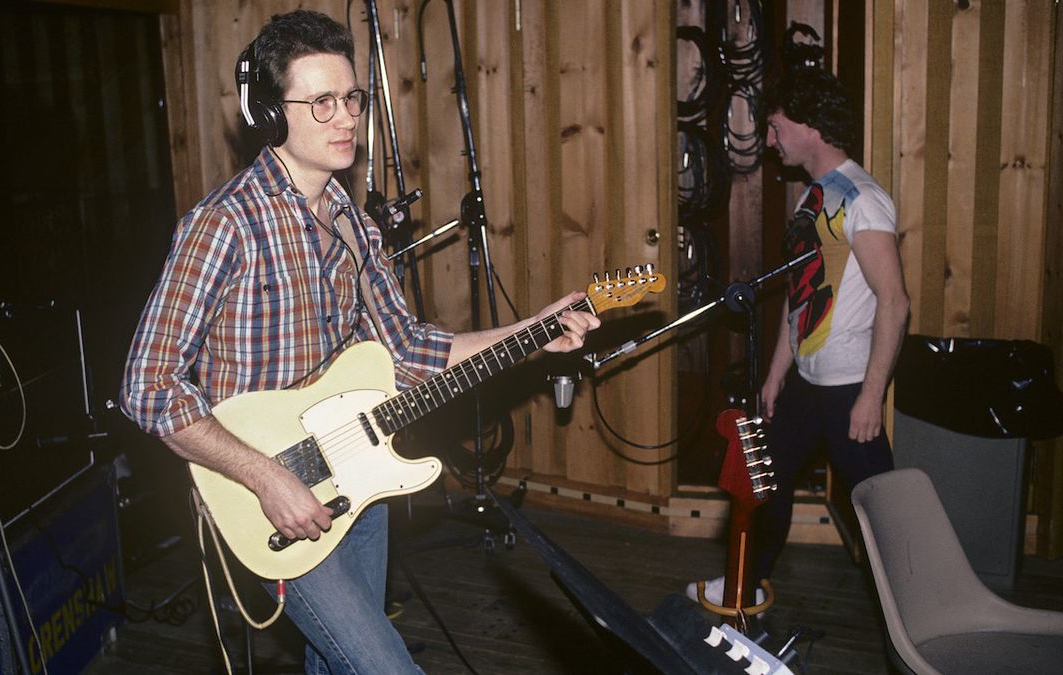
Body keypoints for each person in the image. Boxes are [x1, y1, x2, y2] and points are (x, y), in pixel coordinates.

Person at [120, 9, 599, 674]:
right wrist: (266, 476)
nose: (345, 117)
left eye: (351, 98)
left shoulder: (353, 222)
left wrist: (536, 331)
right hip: (262, 498)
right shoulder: (224, 226)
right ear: (269, 115)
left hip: (358, 473)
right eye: (320, 102)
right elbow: (146, 386)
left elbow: (409, 352)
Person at [687, 67, 910, 607]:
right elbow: (801, 293)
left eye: (775, 126)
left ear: (810, 127)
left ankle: (919, 615)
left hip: (848, 389)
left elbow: (895, 302)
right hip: (807, 384)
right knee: (763, 486)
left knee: (883, 515)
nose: (769, 139)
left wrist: (871, 395)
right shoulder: (814, 197)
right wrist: (776, 373)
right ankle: (742, 585)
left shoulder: (862, 199)